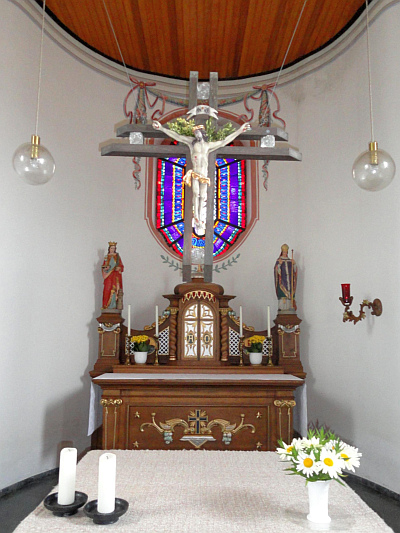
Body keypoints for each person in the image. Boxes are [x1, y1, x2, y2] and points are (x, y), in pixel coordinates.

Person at [153, 120, 251, 235]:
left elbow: (224, 141)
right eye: (195, 133)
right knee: (196, 195)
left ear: (203, 133)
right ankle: (196, 218)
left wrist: (240, 130)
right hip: (195, 173)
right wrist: (161, 129)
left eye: (198, 132)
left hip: (204, 175)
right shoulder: (192, 143)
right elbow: (178, 137)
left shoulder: (208, 146)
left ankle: (202, 220)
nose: (196, 135)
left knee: (203, 196)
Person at [274, 244, 297, 312]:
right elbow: (276, 271)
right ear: (282, 252)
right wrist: (279, 264)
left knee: (290, 295)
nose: (285, 253)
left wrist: (294, 264)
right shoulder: (279, 260)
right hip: (282, 282)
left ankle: (290, 309)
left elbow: (294, 271)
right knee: (283, 296)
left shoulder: (290, 261)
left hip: (290, 282)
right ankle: (283, 310)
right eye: (284, 252)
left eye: (286, 252)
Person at [101, 242, 124, 310]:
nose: (113, 250)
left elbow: (121, 266)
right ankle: (106, 306)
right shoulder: (106, 257)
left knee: (115, 290)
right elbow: (103, 267)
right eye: (111, 248)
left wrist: (119, 268)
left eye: (114, 248)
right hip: (108, 276)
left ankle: (113, 306)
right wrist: (106, 269)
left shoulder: (117, 257)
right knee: (107, 290)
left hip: (115, 276)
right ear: (109, 249)